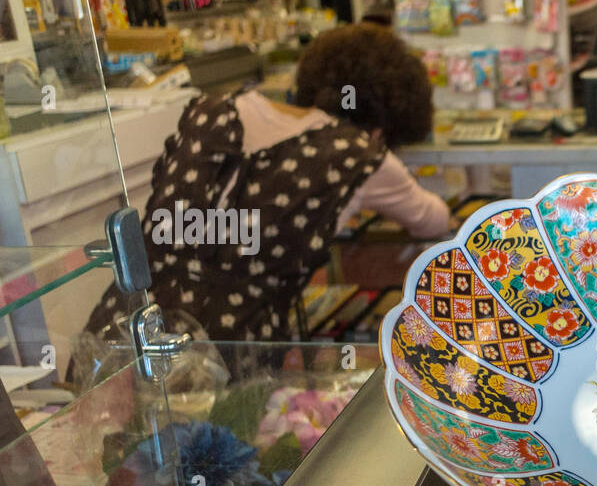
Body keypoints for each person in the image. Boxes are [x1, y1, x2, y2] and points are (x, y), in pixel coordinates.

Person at [83, 23, 450, 347]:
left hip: (121, 328)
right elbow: (434, 221)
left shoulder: (210, 110)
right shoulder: (356, 155)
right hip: (232, 347)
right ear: (384, 122)